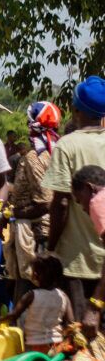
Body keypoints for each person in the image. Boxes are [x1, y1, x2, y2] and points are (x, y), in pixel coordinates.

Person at [40, 75, 105, 321]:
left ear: (76, 109)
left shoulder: (67, 145)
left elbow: (61, 203)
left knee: (79, 334)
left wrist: (51, 249)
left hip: (77, 260)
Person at [3, 101, 61, 301]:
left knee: (29, 287)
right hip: (49, 230)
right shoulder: (58, 152)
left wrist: (12, 214)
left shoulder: (34, 157)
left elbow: (44, 203)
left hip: (35, 234)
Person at [69, 164, 105, 337]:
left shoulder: (98, 202)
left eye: (79, 199)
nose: (82, 207)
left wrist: (95, 305)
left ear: (89, 188)